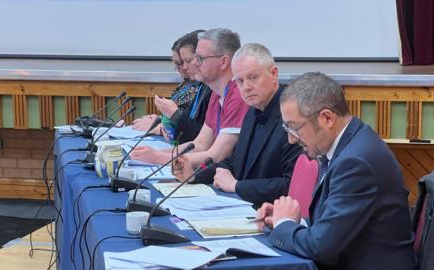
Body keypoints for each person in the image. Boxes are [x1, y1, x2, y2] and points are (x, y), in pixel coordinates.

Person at [256, 73, 416, 270]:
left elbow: (322, 247)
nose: (291, 139)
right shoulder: (351, 144)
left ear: (327, 118)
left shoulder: (356, 163)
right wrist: (288, 220)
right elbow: (335, 223)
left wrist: (285, 226)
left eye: (294, 128)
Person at [173, 43, 301, 208]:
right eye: (240, 81)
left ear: (273, 74)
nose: (246, 87)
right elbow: (235, 162)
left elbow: (291, 184)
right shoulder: (252, 112)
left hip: (272, 213)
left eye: (253, 77)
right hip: (244, 207)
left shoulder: (293, 115)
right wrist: (195, 176)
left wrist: (236, 186)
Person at [131, 28, 248, 168]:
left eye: (200, 58)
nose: (194, 64)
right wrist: (152, 153)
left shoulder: (238, 95)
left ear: (223, 61)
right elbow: (200, 144)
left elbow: (216, 155)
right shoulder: (216, 93)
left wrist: (158, 157)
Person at [132, 30, 212, 144]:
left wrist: (161, 126)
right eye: (181, 62)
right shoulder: (201, 87)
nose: (183, 67)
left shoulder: (209, 89)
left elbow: (198, 137)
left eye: (186, 61)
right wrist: (162, 121)